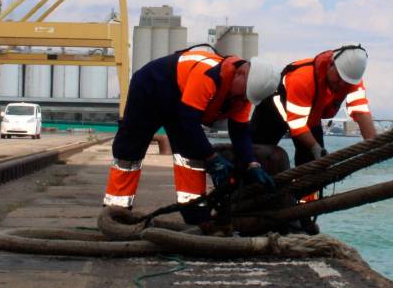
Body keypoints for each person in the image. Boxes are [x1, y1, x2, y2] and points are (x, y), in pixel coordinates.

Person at [103, 45, 278, 225]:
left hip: (181, 99)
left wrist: (251, 163)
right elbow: (189, 122)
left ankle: (195, 213)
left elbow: (240, 132)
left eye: (247, 98)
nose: (244, 100)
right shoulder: (208, 75)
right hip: (150, 88)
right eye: (244, 95)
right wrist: (212, 159)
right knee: (129, 151)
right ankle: (116, 212)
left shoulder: (243, 96)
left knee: (191, 157)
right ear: (240, 73)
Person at [251, 44, 377, 193]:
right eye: (339, 78)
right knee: (254, 155)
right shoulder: (303, 78)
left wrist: (374, 145)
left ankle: (303, 206)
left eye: (347, 82)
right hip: (273, 114)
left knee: (315, 169)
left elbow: (361, 111)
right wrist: (315, 147)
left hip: (310, 118)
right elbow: (297, 123)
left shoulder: (351, 80)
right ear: (331, 64)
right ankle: (250, 196)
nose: (341, 84)